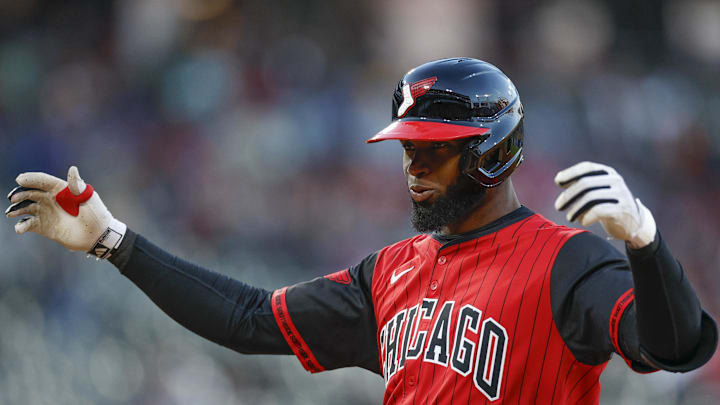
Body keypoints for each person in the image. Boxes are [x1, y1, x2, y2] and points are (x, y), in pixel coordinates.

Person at [5, 58, 717, 404]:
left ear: (492, 152)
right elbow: (250, 318)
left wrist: (647, 246)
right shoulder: (391, 271)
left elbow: (674, 345)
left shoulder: (568, 261)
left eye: (433, 149)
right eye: (409, 148)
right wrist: (112, 238)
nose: (413, 166)